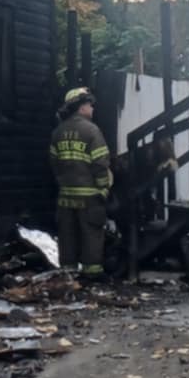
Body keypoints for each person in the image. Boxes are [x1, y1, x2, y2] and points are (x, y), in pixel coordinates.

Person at [49, 86, 112, 278]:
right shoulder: (91, 130)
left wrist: (63, 184)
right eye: (90, 105)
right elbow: (100, 163)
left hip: (66, 196)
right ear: (81, 107)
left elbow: (54, 164)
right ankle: (92, 273)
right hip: (89, 197)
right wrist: (103, 189)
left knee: (67, 234)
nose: (92, 108)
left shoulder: (58, 132)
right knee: (91, 233)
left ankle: (68, 271)